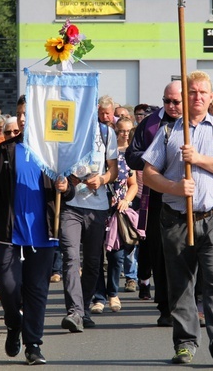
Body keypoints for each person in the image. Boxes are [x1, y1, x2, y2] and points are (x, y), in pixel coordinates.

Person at [142, 71, 213, 366]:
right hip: (175, 219)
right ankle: (185, 342)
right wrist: (174, 186)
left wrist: (199, 160)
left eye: (203, 92)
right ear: (185, 98)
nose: (197, 97)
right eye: (192, 92)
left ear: (211, 97)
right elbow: (148, 174)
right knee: (181, 284)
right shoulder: (169, 132)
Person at [0, 123, 74, 365]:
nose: (25, 119)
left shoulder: (54, 152)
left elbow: (68, 190)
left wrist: (67, 187)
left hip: (43, 234)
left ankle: (33, 345)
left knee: (37, 290)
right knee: (8, 287)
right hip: (8, 232)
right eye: (22, 115)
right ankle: (13, 324)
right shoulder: (4, 151)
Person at [59, 98, 119, 333]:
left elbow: (113, 168)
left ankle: (82, 309)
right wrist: (66, 178)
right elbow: (56, 164)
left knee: (94, 262)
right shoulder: (65, 129)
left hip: (97, 206)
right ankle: (74, 312)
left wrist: (102, 179)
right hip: (71, 205)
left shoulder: (106, 133)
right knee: (71, 258)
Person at [125, 80, 182, 326]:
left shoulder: (198, 123)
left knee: (189, 251)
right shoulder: (150, 123)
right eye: (166, 101)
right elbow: (132, 155)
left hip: (192, 195)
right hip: (158, 195)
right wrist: (157, 158)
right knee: (160, 251)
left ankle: (194, 302)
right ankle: (166, 306)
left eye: (176, 102)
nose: (170, 106)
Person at [90, 117, 138, 314]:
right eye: (120, 131)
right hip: (97, 209)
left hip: (118, 212)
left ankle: (113, 293)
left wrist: (126, 200)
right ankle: (98, 297)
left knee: (116, 257)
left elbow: (133, 184)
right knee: (95, 256)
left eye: (128, 131)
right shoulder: (100, 155)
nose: (124, 134)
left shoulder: (129, 157)